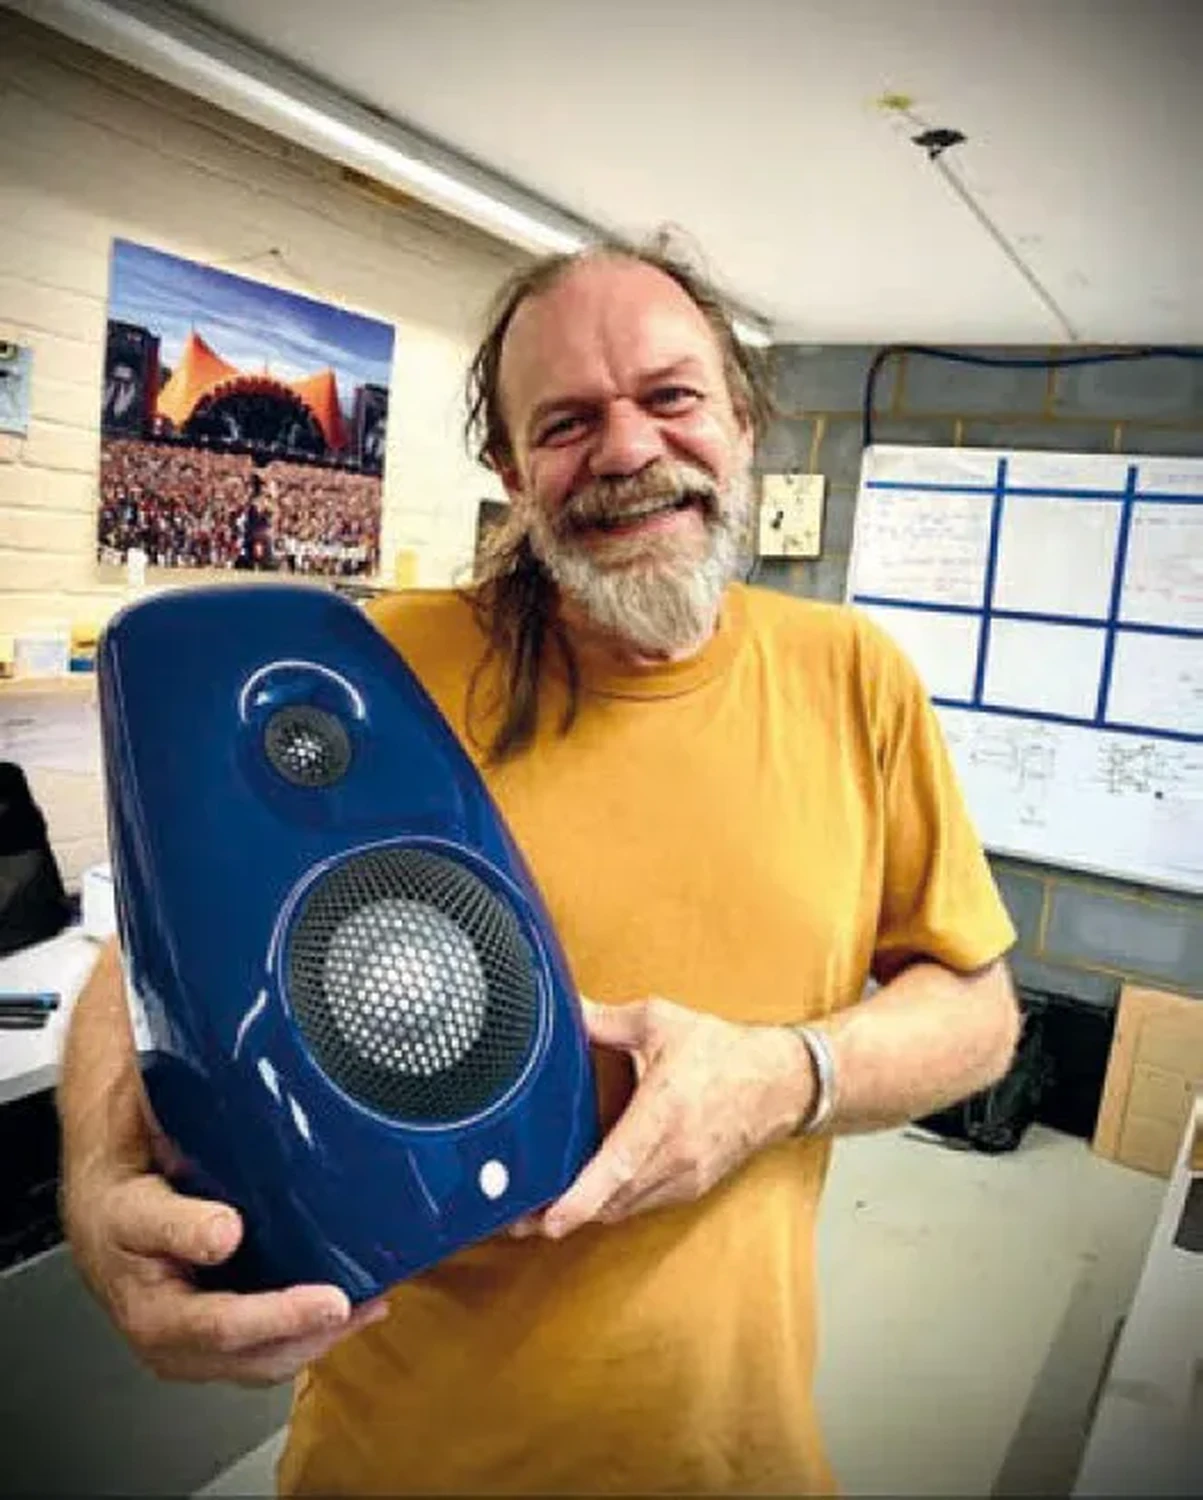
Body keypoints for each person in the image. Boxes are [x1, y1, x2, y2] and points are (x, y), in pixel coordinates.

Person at [58, 241, 1020, 1496]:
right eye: (567, 422)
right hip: (399, 1463)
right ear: (511, 469)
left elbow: (978, 1010)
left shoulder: (855, 681)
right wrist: (96, 1187)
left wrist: (790, 1076)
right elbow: (149, 954)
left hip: (736, 1460)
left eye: (671, 398)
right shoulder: (363, 676)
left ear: (741, 419)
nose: (627, 451)